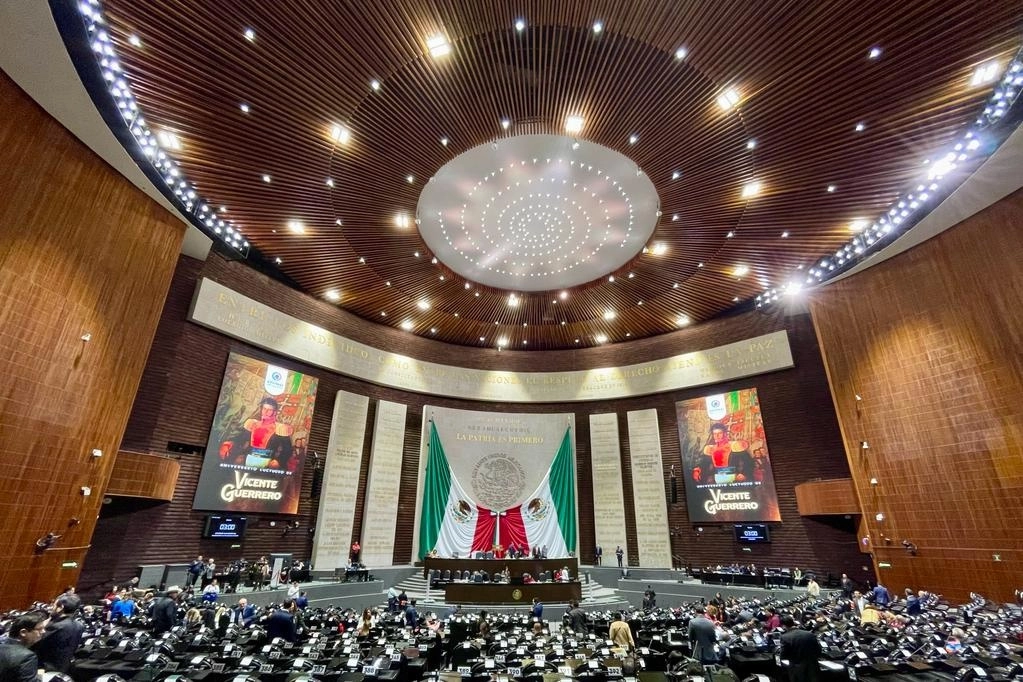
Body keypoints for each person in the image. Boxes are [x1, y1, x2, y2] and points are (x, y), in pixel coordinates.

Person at [220, 396, 295, 469]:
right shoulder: (252, 424)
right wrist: (228, 444)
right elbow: (240, 439)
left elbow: (288, 450)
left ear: (274, 412)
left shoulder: (280, 428)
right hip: (248, 459)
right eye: (264, 408)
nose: (265, 412)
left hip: (268, 463)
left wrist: (279, 461)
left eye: (269, 410)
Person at [34, 595, 84, 673]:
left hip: (45, 669)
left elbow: (34, 643)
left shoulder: (56, 626)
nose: (51, 608)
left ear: (60, 607)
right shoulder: (79, 625)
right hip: (65, 668)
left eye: (53, 605)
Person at [0, 612, 48, 682]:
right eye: (39, 629)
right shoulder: (27, 657)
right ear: (23, 632)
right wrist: (39, 676)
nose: (43, 631)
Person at [779, 615, 822, 682]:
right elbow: (818, 650)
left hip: (797, 669)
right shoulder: (809, 634)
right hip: (813, 667)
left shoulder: (785, 637)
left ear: (784, 626)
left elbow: (783, 655)